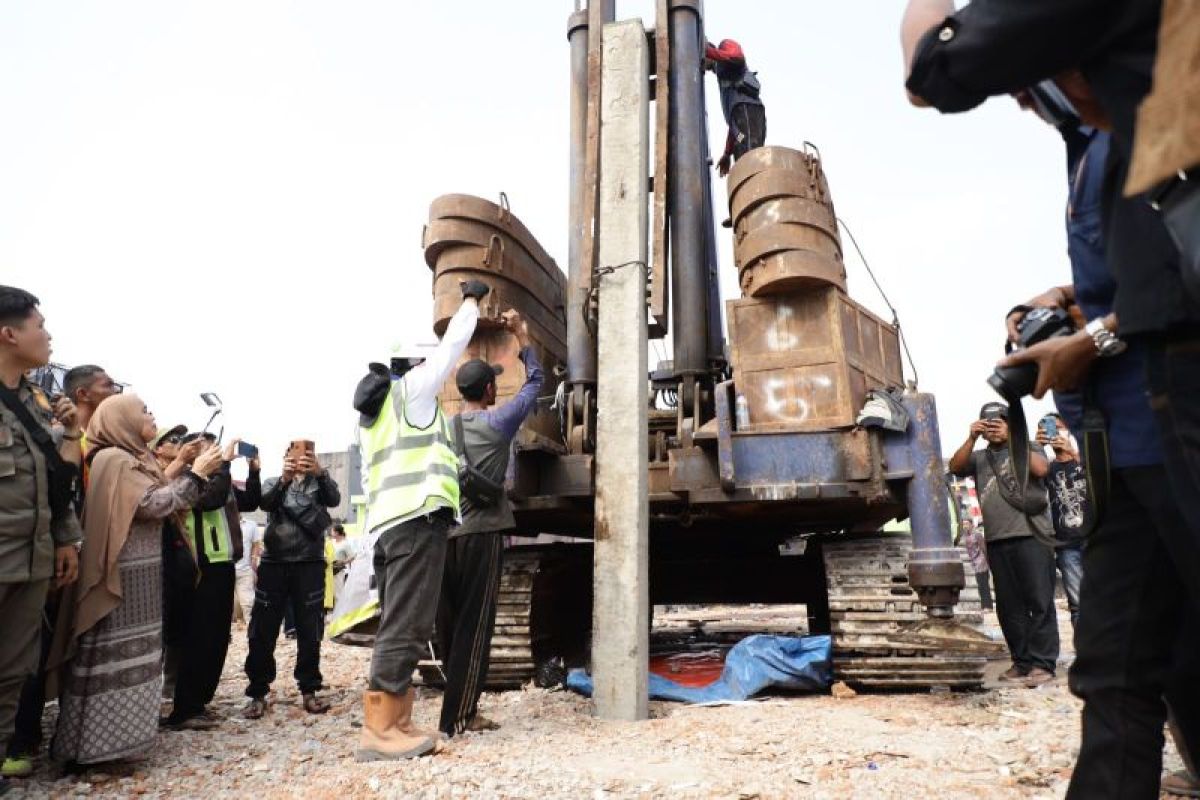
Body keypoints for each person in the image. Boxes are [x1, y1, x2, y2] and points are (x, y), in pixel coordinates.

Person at [48, 395, 224, 767]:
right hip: (122, 575)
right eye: (143, 410)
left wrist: (185, 467)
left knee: (136, 657)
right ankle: (93, 749)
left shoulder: (129, 459)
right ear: (122, 420)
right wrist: (198, 473)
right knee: (111, 656)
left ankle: (120, 745)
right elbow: (153, 504)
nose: (151, 414)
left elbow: (156, 489)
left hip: (140, 574)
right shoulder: (114, 460)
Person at [352, 279, 486, 761]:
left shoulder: (375, 414)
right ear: (414, 364)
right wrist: (470, 301)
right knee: (407, 624)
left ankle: (398, 720)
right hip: (414, 523)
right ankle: (381, 730)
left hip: (391, 524)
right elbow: (452, 347)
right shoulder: (411, 393)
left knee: (402, 620)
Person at [437, 310, 542, 737]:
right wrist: (522, 335)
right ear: (489, 389)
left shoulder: (441, 430)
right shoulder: (498, 424)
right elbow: (535, 384)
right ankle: (460, 716)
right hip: (482, 535)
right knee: (475, 627)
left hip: (446, 536)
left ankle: (455, 703)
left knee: (449, 625)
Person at [0, 287, 82, 793]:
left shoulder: (33, 405)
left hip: (30, 563)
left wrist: (66, 540)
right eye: (39, 324)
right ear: (9, 334)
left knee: (12, 673)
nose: (47, 334)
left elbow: (55, 481)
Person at [949, 402, 1059, 687]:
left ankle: (1043, 663)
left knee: (1039, 602)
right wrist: (971, 437)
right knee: (1009, 607)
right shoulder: (979, 457)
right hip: (997, 539)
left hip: (1032, 535)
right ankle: (1021, 663)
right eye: (988, 423)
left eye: (999, 422)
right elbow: (954, 466)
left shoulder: (1028, 445)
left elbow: (1041, 469)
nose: (993, 427)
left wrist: (1014, 438)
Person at [163, 435, 261, 730]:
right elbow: (210, 500)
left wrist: (254, 472)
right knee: (200, 640)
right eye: (207, 446)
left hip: (223, 564)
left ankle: (199, 703)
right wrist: (225, 466)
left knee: (217, 640)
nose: (215, 450)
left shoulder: (219, 479)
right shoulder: (189, 481)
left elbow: (250, 501)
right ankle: (185, 708)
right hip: (201, 566)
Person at [242, 445, 340, 719]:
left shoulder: (320, 484)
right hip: (274, 562)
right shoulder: (275, 482)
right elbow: (266, 504)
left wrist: (320, 473)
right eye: (293, 456)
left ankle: (310, 688)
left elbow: (334, 499)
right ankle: (257, 691)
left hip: (309, 562)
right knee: (262, 629)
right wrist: (284, 479)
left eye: (305, 455)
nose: (299, 460)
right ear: (284, 459)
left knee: (310, 628)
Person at [1036, 414, 1086, 628]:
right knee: (1077, 604)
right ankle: (1086, 654)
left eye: (1057, 427)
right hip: (1067, 545)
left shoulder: (1083, 457)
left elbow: (1102, 473)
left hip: (1096, 539)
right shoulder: (1046, 469)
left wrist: (1072, 451)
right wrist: (1036, 447)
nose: (1053, 433)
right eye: (1048, 429)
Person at [704, 39, 766, 179]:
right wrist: (727, 153)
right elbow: (735, 126)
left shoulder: (724, 47)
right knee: (742, 148)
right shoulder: (724, 84)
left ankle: (754, 189)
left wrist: (708, 51)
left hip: (749, 112)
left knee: (751, 156)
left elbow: (737, 56)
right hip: (741, 121)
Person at [235, 518, 262, 623]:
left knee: (248, 603)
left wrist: (254, 560)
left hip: (245, 569)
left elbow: (256, 543)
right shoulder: (222, 521)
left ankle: (252, 630)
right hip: (225, 568)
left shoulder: (251, 524)